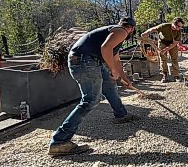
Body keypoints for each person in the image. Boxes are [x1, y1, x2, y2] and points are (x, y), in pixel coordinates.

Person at [47, 17, 136, 156]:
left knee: (109, 85)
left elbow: (116, 60)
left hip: (89, 60)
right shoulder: (122, 31)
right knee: (91, 99)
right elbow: (105, 48)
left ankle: (121, 114)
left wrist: (125, 79)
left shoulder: (114, 34)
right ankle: (59, 141)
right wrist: (112, 70)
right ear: (131, 28)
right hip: (84, 61)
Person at [141, 17, 184, 83]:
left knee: (174, 59)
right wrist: (146, 33)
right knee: (163, 59)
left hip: (172, 43)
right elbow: (153, 29)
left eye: (180, 27)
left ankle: (176, 76)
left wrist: (165, 50)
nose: (178, 28)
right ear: (173, 23)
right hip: (162, 42)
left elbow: (174, 43)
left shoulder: (178, 32)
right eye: (177, 26)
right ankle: (165, 75)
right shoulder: (164, 26)